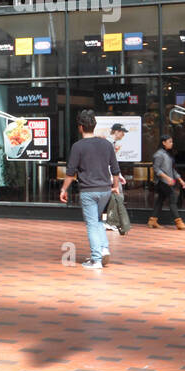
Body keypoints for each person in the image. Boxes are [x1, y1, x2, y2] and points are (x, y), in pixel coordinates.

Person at [59, 109, 121, 269]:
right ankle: (103, 248)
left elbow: (71, 173)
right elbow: (115, 169)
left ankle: (96, 259)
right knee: (99, 220)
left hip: (88, 190)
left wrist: (63, 190)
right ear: (94, 125)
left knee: (92, 223)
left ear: (80, 127)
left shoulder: (78, 147)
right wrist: (115, 187)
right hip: (105, 190)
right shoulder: (106, 144)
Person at [149, 133, 185, 230]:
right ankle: (178, 222)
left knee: (160, 200)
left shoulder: (167, 154)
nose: (172, 143)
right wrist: (167, 178)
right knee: (173, 199)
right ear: (163, 143)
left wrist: (180, 180)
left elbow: (172, 170)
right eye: (169, 142)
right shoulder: (158, 155)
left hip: (167, 181)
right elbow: (156, 169)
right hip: (162, 182)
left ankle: (152, 220)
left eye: (172, 141)